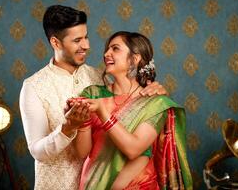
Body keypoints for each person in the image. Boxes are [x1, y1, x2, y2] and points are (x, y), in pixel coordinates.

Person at [19, 5, 168, 189]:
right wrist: (67, 128)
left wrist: (153, 89)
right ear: (56, 43)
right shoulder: (34, 86)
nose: (87, 46)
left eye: (86, 37)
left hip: (108, 182)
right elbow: (37, 151)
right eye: (77, 40)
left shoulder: (100, 78)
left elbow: (131, 112)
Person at [71, 31, 193, 189]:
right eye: (107, 49)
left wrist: (102, 111)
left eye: (115, 49)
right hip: (95, 182)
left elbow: (133, 149)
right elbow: (81, 153)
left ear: (134, 59)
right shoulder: (92, 94)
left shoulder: (154, 103)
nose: (106, 53)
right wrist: (82, 119)